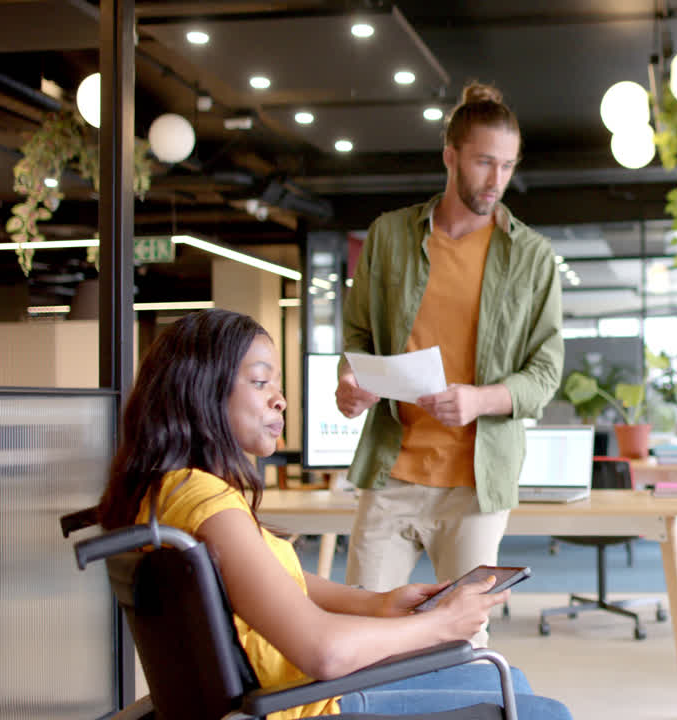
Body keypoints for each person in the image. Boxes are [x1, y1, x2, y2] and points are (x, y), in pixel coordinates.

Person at [96, 309, 571, 719]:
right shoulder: (208, 504)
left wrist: (378, 604)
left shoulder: (174, 493)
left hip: (293, 693)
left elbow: (271, 585)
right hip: (307, 701)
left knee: (507, 680)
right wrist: (440, 626)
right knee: (539, 708)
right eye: (261, 382)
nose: (279, 399)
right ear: (199, 392)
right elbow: (323, 652)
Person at [334, 81, 563, 641]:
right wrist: (352, 380)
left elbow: (545, 372)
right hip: (393, 471)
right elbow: (358, 334)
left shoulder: (531, 257)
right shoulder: (388, 236)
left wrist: (479, 399)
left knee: (461, 640)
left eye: (507, 166)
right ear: (450, 155)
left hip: (477, 485)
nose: (496, 181)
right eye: (485, 162)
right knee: (361, 630)